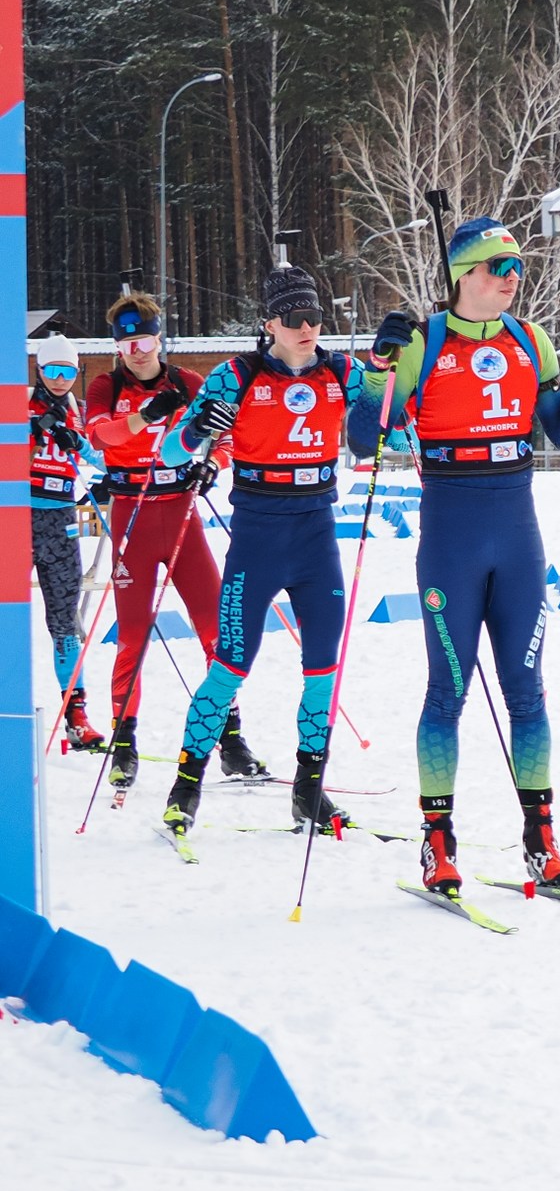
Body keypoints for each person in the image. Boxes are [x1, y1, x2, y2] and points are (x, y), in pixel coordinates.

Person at [372, 217, 560, 896]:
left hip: (517, 535)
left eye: (518, 267)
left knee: (527, 690)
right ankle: (437, 842)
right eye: (499, 266)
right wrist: (378, 370)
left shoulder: (530, 340)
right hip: (452, 535)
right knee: (447, 691)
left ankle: (542, 840)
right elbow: (364, 435)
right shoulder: (424, 341)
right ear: (462, 274)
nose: (512, 277)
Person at [157, 265, 383, 838]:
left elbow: (391, 428)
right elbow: (170, 453)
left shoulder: (343, 372)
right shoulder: (237, 376)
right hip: (258, 537)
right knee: (231, 664)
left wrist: (387, 376)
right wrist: (198, 431)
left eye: (314, 317)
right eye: (293, 318)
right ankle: (186, 786)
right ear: (270, 324)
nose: (307, 328)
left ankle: (309, 791)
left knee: (323, 669)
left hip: (316, 537)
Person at [84, 291, 256, 791]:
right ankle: (123, 743)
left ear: (160, 339)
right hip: (132, 516)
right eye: (128, 344)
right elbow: (102, 437)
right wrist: (147, 415)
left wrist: (212, 464)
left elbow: (228, 435)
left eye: (146, 341)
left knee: (215, 628)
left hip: (180, 513)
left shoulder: (188, 382)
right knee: (133, 635)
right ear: (117, 348)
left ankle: (231, 739)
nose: (138, 352)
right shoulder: (105, 386)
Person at [28, 333, 107, 751]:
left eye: (68, 372)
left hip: (60, 521)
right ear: (39, 370)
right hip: (18, 519)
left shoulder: (80, 413)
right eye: (52, 370)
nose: (60, 379)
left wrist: (79, 444)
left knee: (65, 622)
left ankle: (76, 716)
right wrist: (31, 434)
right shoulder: (20, 405)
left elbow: (105, 460)